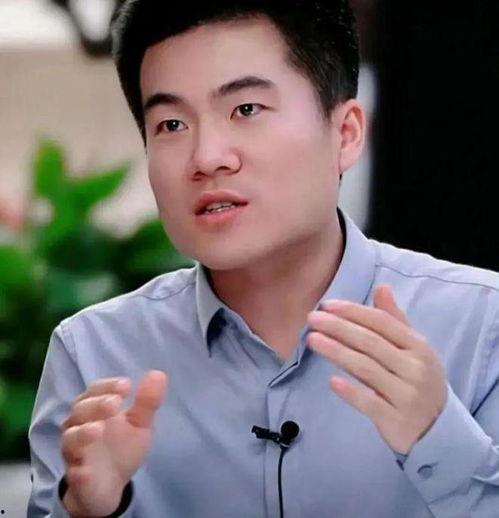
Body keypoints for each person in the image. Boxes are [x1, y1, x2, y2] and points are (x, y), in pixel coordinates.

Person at [27, 1, 499, 516]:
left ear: (345, 134)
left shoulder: (481, 328)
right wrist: (92, 510)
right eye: (171, 124)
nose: (207, 157)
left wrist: (441, 445)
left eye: (246, 110)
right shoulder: (93, 354)